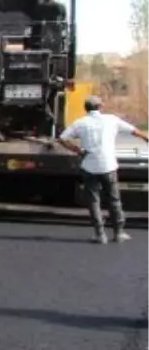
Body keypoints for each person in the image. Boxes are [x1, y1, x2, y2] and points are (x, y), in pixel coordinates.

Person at [58, 95, 149, 243]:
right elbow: (134, 131)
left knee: (94, 201)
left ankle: (100, 234)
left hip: (89, 166)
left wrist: (77, 150)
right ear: (100, 107)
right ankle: (119, 232)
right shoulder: (111, 120)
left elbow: (62, 138)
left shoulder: (80, 123)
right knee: (114, 199)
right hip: (108, 166)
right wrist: (147, 138)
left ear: (85, 108)